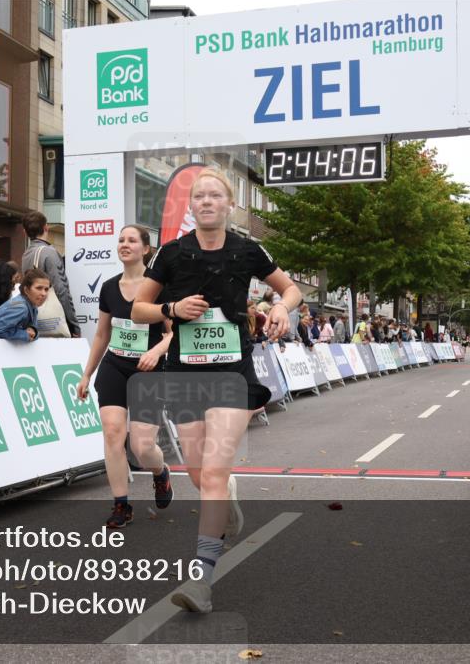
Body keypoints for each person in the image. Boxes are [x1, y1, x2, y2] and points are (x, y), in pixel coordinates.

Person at [132, 168, 299, 613]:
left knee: (215, 473)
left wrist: (281, 305)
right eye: (199, 196)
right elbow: (138, 309)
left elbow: (291, 289)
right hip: (185, 374)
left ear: (227, 205)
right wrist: (171, 307)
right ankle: (227, 502)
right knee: (198, 473)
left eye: (214, 195)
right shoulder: (170, 253)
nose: (206, 201)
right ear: (191, 207)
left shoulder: (247, 250)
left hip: (232, 375)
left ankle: (201, 579)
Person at [76, 225, 173, 528]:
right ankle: (122, 505)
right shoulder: (108, 287)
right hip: (115, 366)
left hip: (149, 370)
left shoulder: (160, 288)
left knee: (142, 447)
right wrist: (86, 374)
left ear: (146, 249)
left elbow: (175, 334)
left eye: (132, 240)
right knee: (113, 433)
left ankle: (161, 473)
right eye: (120, 240)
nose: (124, 244)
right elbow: (103, 334)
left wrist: (156, 351)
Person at [21, 211, 79, 337]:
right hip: (54, 323)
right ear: (46, 227)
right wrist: (74, 324)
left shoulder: (26, 255)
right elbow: (61, 289)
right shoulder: (49, 253)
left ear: (24, 232)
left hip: (32, 322)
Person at [0, 268, 49, 341]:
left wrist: (34, 332)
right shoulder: (20, 307)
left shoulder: (33, 306)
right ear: (26, 290)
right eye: (39, 288)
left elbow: (32, 333)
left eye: (46, 289)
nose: (44, 293)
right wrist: (25, 335)